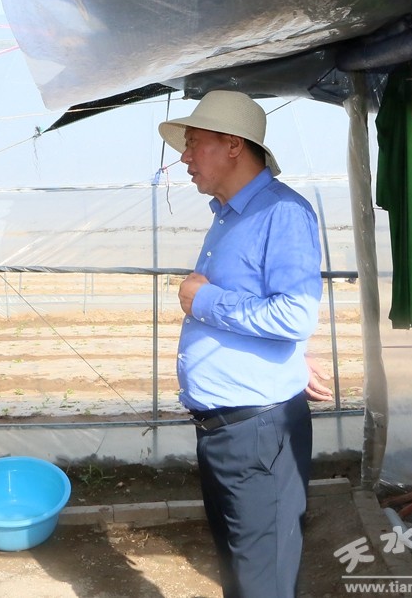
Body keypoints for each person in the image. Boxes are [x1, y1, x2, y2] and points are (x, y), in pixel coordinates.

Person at [157, 90, 324, 598]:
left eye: (194, 143)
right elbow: (268, 306)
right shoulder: (229, 215)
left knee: (260, 579)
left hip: (257, 432)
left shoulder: (281, 213)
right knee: (240, 571)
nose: (184, 157)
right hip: (227, 429)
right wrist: (293, 356)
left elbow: (294, 312)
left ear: (233, 144)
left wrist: (203, 301)